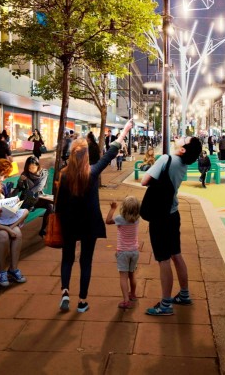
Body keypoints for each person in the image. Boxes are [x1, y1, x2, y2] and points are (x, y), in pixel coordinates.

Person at [57, 120, 133, 313]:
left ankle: (65, 291)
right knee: (86, 261)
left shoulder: (64, 175)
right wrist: (124, 131)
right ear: (86, 157)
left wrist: (59, 221)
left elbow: (60, 205)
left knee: (67, 259)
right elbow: (110, 153)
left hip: (69, 223)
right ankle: (82, 301)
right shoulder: (92, 172)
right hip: (89, 224)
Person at [141, 136, 202, 316]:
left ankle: (165, 304)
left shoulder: (166, 159)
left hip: (160, 215)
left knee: (164, 259)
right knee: (176, 254)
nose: (180, 138)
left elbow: (144, 180)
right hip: (173, 213)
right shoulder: (182, 164)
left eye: (184, 139)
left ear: (183, 149)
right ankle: (184, 295)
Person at [105, 196, 141, 309]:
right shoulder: (137, 219)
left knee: (123, 277)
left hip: (123, 252)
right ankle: (133, 294)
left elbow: (108, 220)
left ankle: (126, 300)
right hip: (134, 251)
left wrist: (112, 208)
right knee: (132, 274)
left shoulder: (120, 218)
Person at [14, 156, 54, 237]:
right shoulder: (25, 174)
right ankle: (14, 226)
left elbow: (40, 186)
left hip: (37, 197)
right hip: (27, 199)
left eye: (33, 167)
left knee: (50, 206)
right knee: (23, 205)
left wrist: (30, 191)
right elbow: (20, 187)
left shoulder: (44, 173)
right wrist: (21, 180)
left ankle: (43, 229)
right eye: (29, 168)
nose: (31, 170)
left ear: (38, 166)